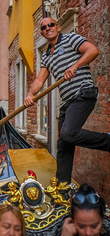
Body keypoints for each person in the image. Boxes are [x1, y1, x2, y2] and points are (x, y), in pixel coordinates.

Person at [24, 17, 110, 184]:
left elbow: (93, 50)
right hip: (67, 101)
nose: (47, 28)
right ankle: (62, 188)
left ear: (58, 26)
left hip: (83, 93)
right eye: (43, 27)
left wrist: (75, 66)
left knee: (68, 133)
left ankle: (108, 141)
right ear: (42, 32)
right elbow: (39, 81)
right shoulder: (46, 56)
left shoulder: (71, 38)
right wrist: (30, 95)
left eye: (50, 25)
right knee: (63, 145)